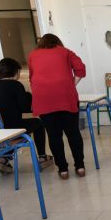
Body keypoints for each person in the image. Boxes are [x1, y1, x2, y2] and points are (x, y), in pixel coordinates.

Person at [28, 33, 86, 180]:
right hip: (66, 97)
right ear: (58, 42)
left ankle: (63, 170)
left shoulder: (33, 55)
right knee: (73, 133)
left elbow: (32, 78)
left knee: (53, 135)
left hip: (44, 99)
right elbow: (80, 69)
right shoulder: (65, 52)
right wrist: (71, 85)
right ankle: (80, 167)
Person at [0, 58, 54, 173]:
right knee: (38, 123)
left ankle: (2, 159)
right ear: (15, 72)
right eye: (19, 72)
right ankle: (42, 157)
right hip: (13, 130)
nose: (19, 75)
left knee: (11, 127)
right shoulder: (15, 85)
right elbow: (25, 108)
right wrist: (28, 95)